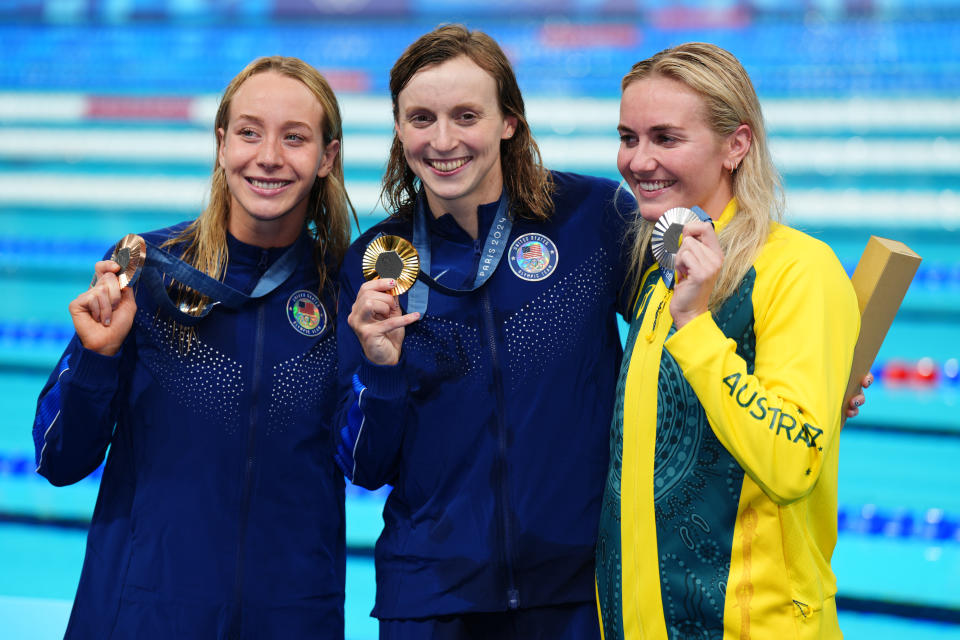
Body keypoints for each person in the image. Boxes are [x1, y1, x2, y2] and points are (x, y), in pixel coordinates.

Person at [32, 56, 353, 639]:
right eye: (250, 132)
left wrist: (383, 372)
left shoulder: (343, 293)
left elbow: (371, 464)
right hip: (142, 613)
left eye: (295, 137)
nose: (269, 157)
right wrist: (97, 358)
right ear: (221, 140)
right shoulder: (147, 273)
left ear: (327, 157)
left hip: (293, 617)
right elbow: (59, 460)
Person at [334, 25, 634, 639]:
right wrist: (380, 371)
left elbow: (687, 319)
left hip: (576, 591)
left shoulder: (592, 219)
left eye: (466, 115)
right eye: (421, 118)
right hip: (428, 597)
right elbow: (362, 465)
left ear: (509, 122)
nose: (443, 141)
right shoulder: (375, 262)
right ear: (397, 128)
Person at [594, 43, 861, 639]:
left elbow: (793, 464)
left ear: (736, 145)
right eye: (628, 137)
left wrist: (698, 329)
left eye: (665, 138)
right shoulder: (665, 273)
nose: (639, 161)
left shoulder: (797, 271)